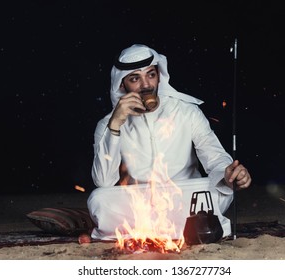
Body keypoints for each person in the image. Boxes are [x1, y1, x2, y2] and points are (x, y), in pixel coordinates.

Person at [87, 44, 251, 241]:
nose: (146, 85)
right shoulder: (107, 124)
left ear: (159, 76)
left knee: (219, 188)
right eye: (134, 78)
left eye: (150, 75)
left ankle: (145, 231)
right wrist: (115, 125)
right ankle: (185, 228)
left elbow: (214, 156)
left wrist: (229, 173)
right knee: (99, 199)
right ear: (122, 85)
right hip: (140, 200)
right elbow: (103, 181)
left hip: (186, 195)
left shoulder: (186, 111)